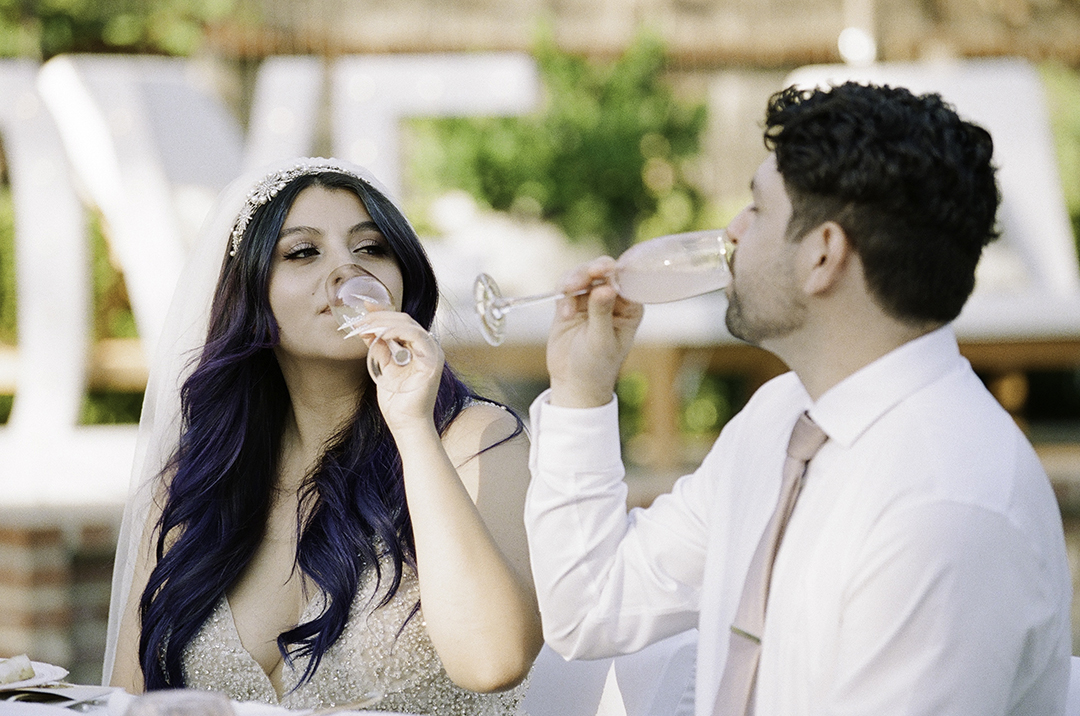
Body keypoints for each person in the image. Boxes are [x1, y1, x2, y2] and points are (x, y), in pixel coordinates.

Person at [524, 81, 1073, 715]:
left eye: (756, 210)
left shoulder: (946, 504)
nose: (732, 231)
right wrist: (580, 391)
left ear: (823, 255)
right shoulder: (781, 420)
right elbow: (592, 608)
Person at [104, 157, 542, 713]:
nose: (346, 271)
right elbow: (126, 701)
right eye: (303, 252)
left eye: (371, 249)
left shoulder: (476, 441)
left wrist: (411, 426)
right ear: (250, 296)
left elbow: (493, 661)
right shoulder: (196, 485)